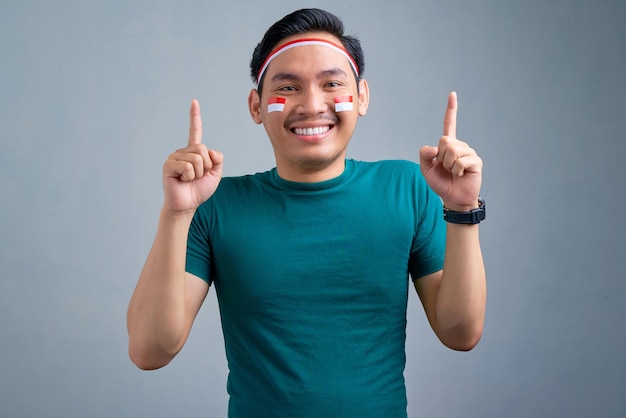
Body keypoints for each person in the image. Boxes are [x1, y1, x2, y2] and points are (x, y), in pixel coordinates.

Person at [127, 7, 486, 417]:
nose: (312, 104)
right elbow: (149, 350)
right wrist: (175, 214)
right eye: (289, 88)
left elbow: (461, 332)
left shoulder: (407, 189)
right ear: (256, 106)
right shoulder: (215, 206)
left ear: (362, 97)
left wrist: (461, 208)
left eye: (332, 83)